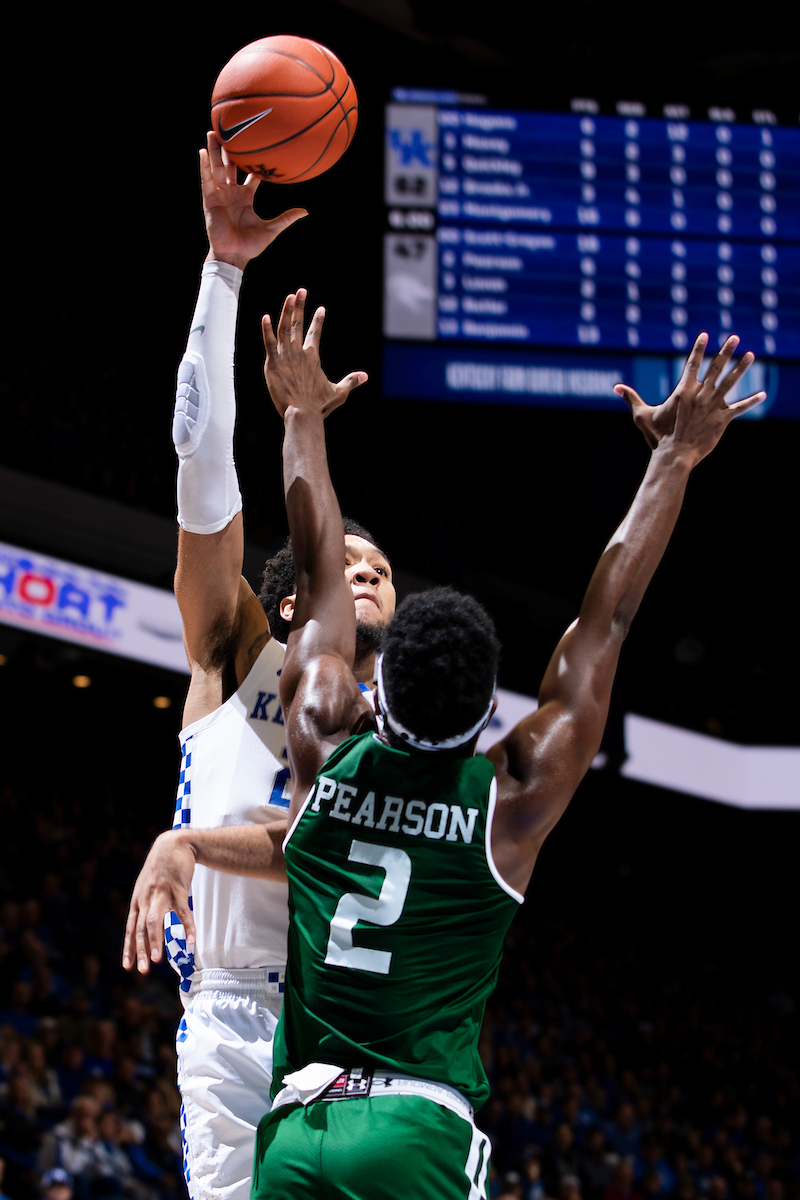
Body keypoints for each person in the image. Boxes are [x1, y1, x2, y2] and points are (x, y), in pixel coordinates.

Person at [126, 303, 763, 1196]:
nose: (361, 579)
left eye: (379, 575)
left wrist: (302, 418)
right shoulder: (505, 801)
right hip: (401, 1112)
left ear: (369, 697)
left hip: (300, 1117)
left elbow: (315, 571)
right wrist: (673, 459)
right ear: (486, 721)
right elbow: (603, 625)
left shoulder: (326, 750)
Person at [136, 132, 395, 1200]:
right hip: (240, 1022)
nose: (372, 575)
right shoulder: (239, 650)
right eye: (354, 563)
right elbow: (202, 474)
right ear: (296, 601)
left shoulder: (387, 732)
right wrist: (221, 271)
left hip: (350, 1034)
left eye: (385, 571)